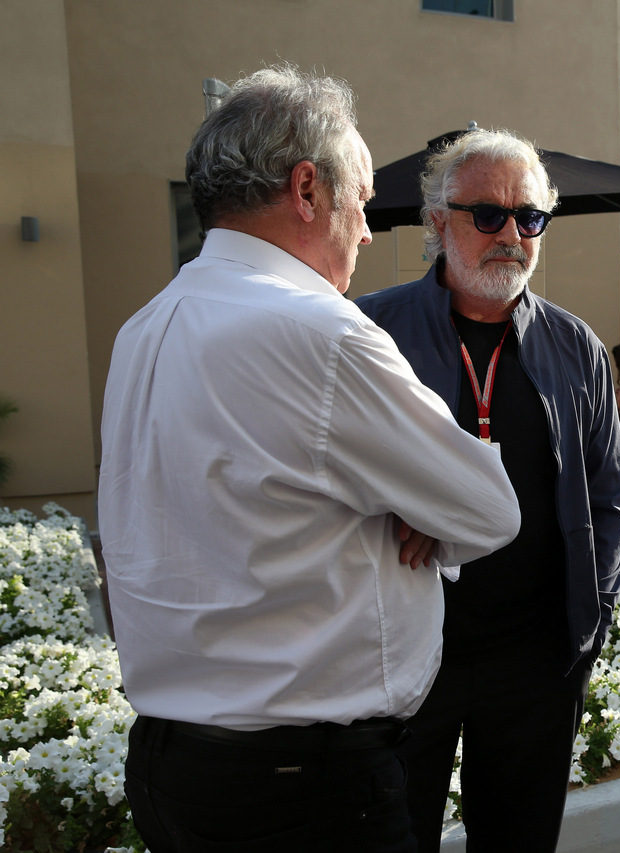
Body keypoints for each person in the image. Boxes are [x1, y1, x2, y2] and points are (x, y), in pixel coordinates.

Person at [98, 66, 521, 853]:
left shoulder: (146, 326)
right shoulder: (322, 332)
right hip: (304, 790)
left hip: (173, 769)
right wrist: (415, 501)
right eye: (360, 203)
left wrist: (413, 499)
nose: (365, 232)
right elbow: (489, 507)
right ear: (306, 190)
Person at [354, 128, 620, 853]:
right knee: (392, 836)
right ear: (438, 221)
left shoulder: (576, 346)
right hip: (405, 657)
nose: (511, 233)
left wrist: (589, 622)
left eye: (529, 216)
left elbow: (608, 495)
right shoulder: (371, 332)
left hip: (536, 661)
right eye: (488, 215)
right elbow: (331, 477)